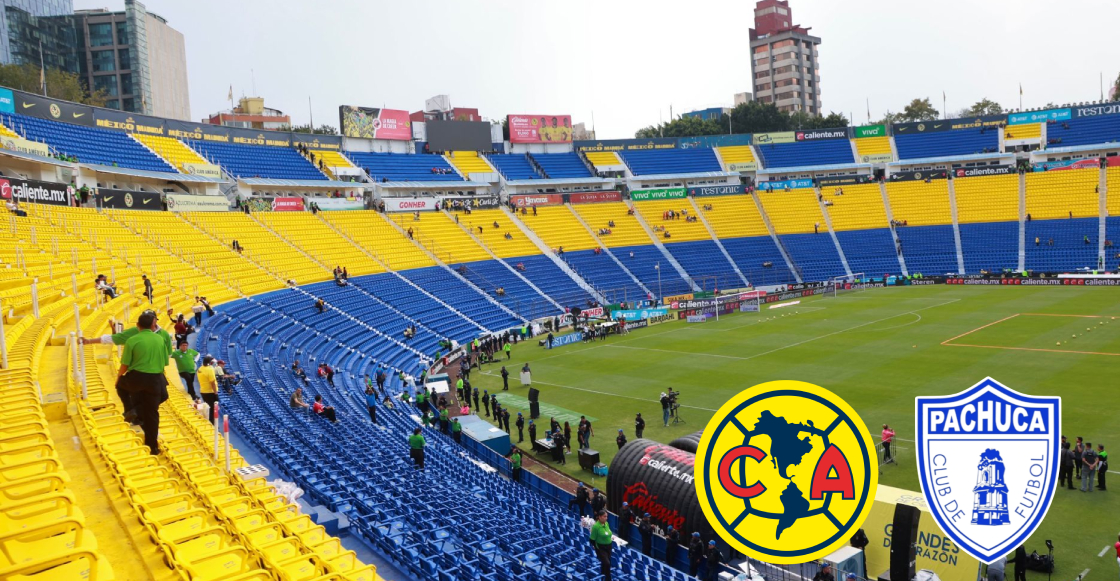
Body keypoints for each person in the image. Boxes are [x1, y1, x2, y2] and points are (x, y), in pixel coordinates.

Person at [115, 311, 171, 454]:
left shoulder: (132, 340)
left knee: (120, 386)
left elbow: (125, 364)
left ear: (137, 325)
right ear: (153, 324)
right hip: (155, 380)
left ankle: (130, 410)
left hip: (136, 379)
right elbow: (165, 361)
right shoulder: (160, 339)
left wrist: (119, 378)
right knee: (152, 414)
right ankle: (153, 447)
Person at [589, 510, 614, 581]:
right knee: (607, 563)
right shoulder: (596, 527)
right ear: (599, 517)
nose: (606, 518)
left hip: (609, 546)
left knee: (605, 563)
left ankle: (603, 575)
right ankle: (608, 579)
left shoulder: (606, 524)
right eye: (604, 516)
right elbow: (592, 539)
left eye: (607, 516)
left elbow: (608, 533)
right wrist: (596, 547)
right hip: (601, 548)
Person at [197, 356, 220, 422]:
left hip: (203, 391)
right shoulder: (210, 370)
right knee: (212, 409)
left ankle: (210, 422)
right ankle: (212, 424)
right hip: (210, 392)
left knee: (208, 407)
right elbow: (212, 383)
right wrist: (215, 393)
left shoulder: (200, 369)